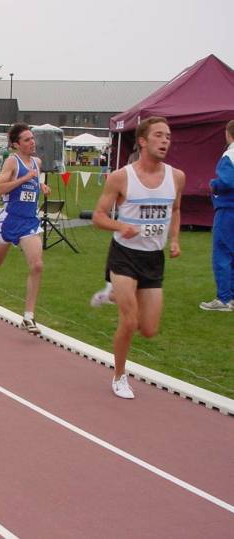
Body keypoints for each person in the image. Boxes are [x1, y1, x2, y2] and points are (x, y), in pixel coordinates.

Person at [91, 116, 184, 399]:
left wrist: (175, 239)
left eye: (168, 136)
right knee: (129, 322)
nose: (165, 141)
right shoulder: (121, 177)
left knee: (149, 330)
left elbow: (177, 209)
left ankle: (112, 294)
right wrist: (122, 226)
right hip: (124, 255)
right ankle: (119, 376)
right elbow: (98, 216)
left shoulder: (177, 177)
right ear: (143, 141)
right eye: (158, 135)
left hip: (153, 259)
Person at [0, 123, 51, 335]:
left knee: (37, 266)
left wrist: (40, 186)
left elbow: (33, 182)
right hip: (9, 220)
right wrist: (24, 178)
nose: (32, 142)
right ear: (16, 145)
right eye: (27, 139)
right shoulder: (11, 162)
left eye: (32, 138)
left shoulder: (37, 162)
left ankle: (28, 316)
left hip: (30, 222)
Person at [199, 120, 234, 311]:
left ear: (228, 134)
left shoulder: (229, 154)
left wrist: (214, 184)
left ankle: (223, 299)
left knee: (222, 253)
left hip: (228, 209)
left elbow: (227, 181)